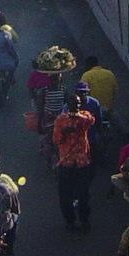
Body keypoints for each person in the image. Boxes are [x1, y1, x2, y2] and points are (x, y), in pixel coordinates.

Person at [52, 94, 96, 233]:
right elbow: (56, 139)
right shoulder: (60, 120)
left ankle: (84, 219)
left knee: (84, 195)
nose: (75, 106)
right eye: (73, 103)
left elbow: (91, 120)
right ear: (67, 104)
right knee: (65, 196)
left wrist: (76, 117)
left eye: (77, 104)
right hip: (66, 162)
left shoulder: (84, 116)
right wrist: (65, 132)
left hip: (82, 162)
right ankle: (70, 220)